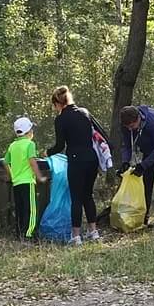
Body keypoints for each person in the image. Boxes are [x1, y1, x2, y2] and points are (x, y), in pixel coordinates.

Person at [48, 86, 108, 241]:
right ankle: (93, 231)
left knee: (76, 198)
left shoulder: (61, 119)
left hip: (76, 160)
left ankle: (76, 236)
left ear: (58, 103)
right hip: (92, 158)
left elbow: (60, 145)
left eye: (54, 105)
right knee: (88, 195)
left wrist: (47, 153)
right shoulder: (84, 112)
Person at [119, 104, 154, 229]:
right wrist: (125, 162)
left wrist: (143, 165)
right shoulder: (126, 125)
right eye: (128, 127)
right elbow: (127, 145)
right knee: (146, 182)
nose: (130, 129)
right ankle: (143, 216)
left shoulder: (152, 120)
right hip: (149, 150)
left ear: (138, 119)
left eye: (132, 126)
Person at [4, 116, 41, 240]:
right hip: (28, 181)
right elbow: (32, 161)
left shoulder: (12, 145)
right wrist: (39, 176)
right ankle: (30, 234)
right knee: (31, 210)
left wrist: (11, 176)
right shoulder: (30, 144)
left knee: (20, 209)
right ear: (28, 131)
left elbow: (5, 162)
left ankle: (19, 234)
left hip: (16, 183)